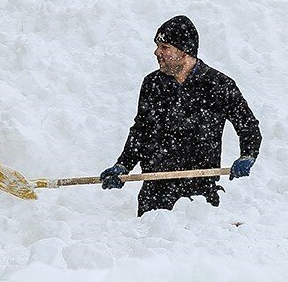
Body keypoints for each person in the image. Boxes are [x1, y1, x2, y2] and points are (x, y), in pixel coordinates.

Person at [100, 15, 263, 216]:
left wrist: (247, 154)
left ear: (184, 50)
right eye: (157, 46)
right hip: (155, 193)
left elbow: (248, 125)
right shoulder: (152, 85)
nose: (156, 52)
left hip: (199, 197)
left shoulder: (218, 85)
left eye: (164, 47)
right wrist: (123, 165)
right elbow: (140, 131)